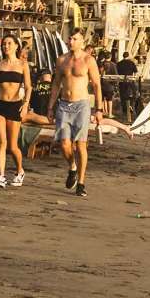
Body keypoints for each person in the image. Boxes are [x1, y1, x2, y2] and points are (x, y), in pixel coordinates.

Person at [49, 28, 103, 196]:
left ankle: (81, 182)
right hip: (64, 105)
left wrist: (99, 109)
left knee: (80, 145)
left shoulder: (88, 60)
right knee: (64, 143)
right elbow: (56, 84)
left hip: (82, 105)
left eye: (75, 39)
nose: (71, 41)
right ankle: (72, 167)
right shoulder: (61, 60)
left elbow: (96, 85)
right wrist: (50, 107)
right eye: (70, 38)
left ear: (82, 42)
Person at [0, 33, 32, 188]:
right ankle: (1, 176)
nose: (6, 46)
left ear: (16, 46)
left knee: (13, 146)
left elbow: (28, 87)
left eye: (9, 43)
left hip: (14, 105)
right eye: (4, 44)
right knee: (1, 141)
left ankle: (20, 171)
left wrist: (26, 103)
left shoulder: (22, 64)